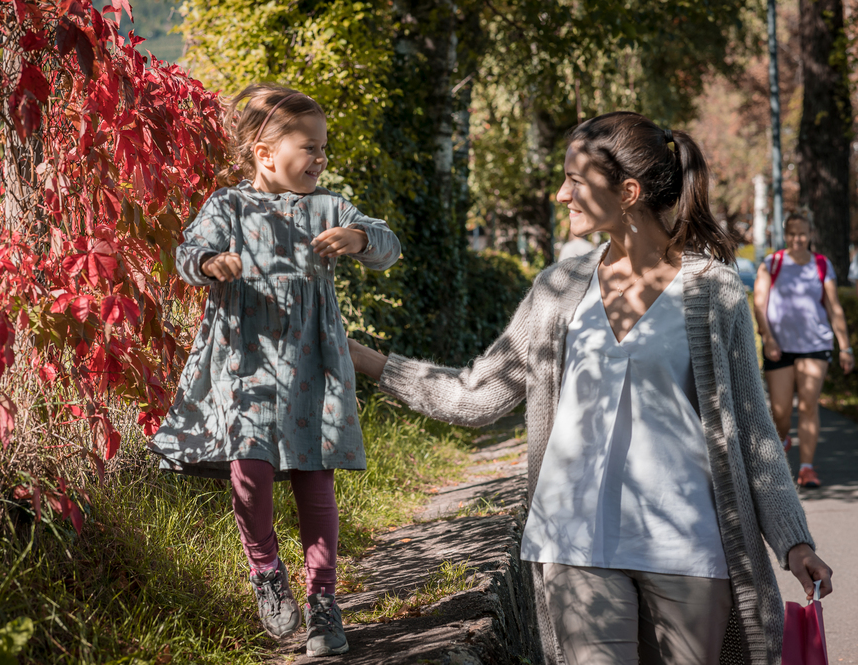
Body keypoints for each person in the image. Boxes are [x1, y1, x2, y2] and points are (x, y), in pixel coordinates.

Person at [347, 112, 832, 665]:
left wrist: (793, 541)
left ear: (628, 192)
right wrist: (364, 360)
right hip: (574, 543)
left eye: (575, 180)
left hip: (688, 546)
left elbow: (751, 430)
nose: (560, 194)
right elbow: (477, 394)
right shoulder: (557, 290)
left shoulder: (713, 289)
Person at [150, 83, 401, 657]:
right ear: (265, 154)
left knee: (316, 485)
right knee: (250, 472)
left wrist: (360, 236)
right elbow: (188, 252)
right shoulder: (228, 207)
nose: (321, 158)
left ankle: (324, 606)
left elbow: (388, 243)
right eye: (309, 147)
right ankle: (265, 570)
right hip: (246, 366)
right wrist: (212, 261)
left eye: (324, 149)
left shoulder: (328, 208)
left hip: (314, 369)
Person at [753, 215, 854, 488]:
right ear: (785, 235)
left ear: (811, 234)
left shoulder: (821, 264)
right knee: (781, 412)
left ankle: (807, 468)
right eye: (792, 233)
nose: (798, 238)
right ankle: (783, 439)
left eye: (803, 233)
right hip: (779, 348)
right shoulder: (772, 264)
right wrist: (768, 338)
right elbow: (759, 305)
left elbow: (833, 307)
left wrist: (845, 346)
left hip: (815, 344)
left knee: (809, 406)